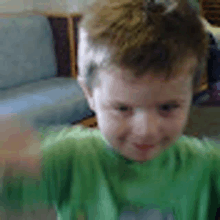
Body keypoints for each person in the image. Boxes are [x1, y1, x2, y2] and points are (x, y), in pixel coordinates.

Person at [1, 0, 220, 219]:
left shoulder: (208, 167)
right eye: (122, 108)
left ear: (191, 94)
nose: (146, 130)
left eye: (167, 107)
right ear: (89, 95)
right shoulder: (68, 159)